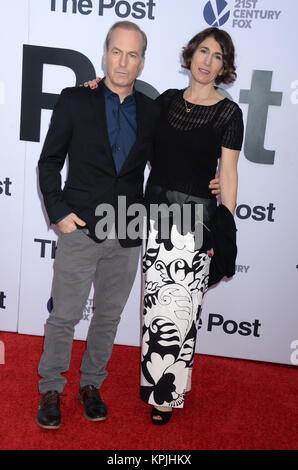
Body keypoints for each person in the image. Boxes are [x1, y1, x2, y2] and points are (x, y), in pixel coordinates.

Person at [87, 27, 243, 425]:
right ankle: (162, 382)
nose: (207, 62)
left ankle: (166, 395)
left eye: (217, 57)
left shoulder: (228, 113)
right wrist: (97, 87)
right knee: (157, 311)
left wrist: (224, 229)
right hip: (154, 215)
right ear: (190, 55)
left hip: (194, 220)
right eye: (203, 52)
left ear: (224, 68)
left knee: (182, 312)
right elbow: (126, 113)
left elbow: (228, 174)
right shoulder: (167, 101)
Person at [36, 21, 160, 430]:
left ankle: (92, 385)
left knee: (108, 317)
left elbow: (164, 166)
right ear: (105, 53)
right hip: (81, 229)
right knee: (65, 316)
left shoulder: (151, 109)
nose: (123, 62)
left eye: (133, 54)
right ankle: (51, 387)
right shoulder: (75, 100)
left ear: (142, 61)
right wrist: (58, 212)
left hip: (126, 233)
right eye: (117, 52)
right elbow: (49, 161)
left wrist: (208, 179)